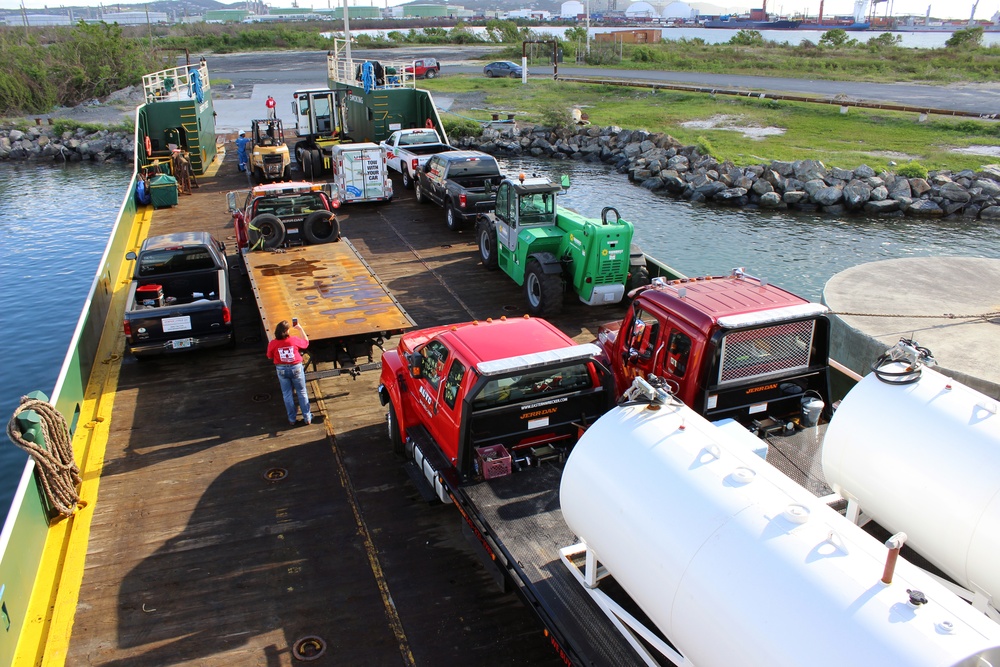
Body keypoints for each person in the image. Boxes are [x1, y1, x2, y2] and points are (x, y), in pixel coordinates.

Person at [266, 319, 313, 426]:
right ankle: (307, 417)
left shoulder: (272, 343)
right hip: (296, 368)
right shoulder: (293, 340)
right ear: (287, 331)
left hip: (281, 369)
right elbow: (306, 343)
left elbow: (269, 356)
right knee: (302, 392)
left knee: (287, 394)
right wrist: (300, 329)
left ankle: (292, 419)